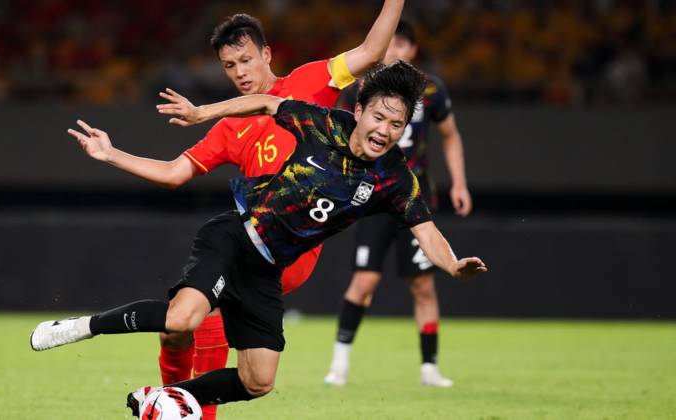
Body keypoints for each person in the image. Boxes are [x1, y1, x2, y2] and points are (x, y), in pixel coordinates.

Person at [31, 61, 486, 416]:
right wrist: (200, 114)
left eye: (397, 124)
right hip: (235, 238)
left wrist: (452, 264)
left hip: (267, 270)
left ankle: (162, 399)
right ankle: (81, 327)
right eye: (380, 117)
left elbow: (427, 231)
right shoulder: (325, 124)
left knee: (258, 381)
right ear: (361, 110)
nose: (385, 131)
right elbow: (268, 104)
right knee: (183, 319)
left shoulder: (395, 178)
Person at [72, 3, 405, 419]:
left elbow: (372, 51)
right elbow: (175, 173)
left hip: (291, 251)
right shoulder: (231, 125)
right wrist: (111, 155)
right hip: (252, 239)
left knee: (203, 315)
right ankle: (169, 402)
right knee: (177, 330)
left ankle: (172, 405)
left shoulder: (310, 82)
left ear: (266, 54)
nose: (240, 72)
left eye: (246, 60)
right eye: (229, 66)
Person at [324, 20, 472, 388]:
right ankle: (339, 365)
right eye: (390, 43)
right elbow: (341, 133)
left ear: (413, 50)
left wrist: (459, 182)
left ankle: (429, 368)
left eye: (403, 44)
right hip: (373, 198)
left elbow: (450, 135)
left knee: (423, 285)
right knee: (364, 281)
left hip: (412, 198)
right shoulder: (362, 89)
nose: (395, 50)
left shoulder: (431, 90)